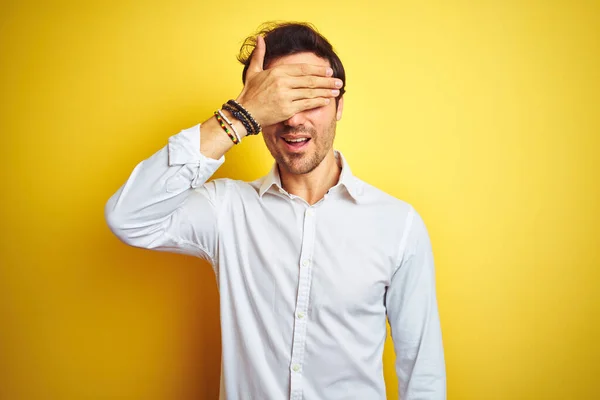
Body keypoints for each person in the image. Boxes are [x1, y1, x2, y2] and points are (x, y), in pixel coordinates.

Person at [105, 21, 446, 400]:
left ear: (339, 106)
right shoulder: (226, 211)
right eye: (279, 102)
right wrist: (238, 115)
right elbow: (128, 217)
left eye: (309, 100)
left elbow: (422, 372)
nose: (293, 120)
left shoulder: (397, 225)